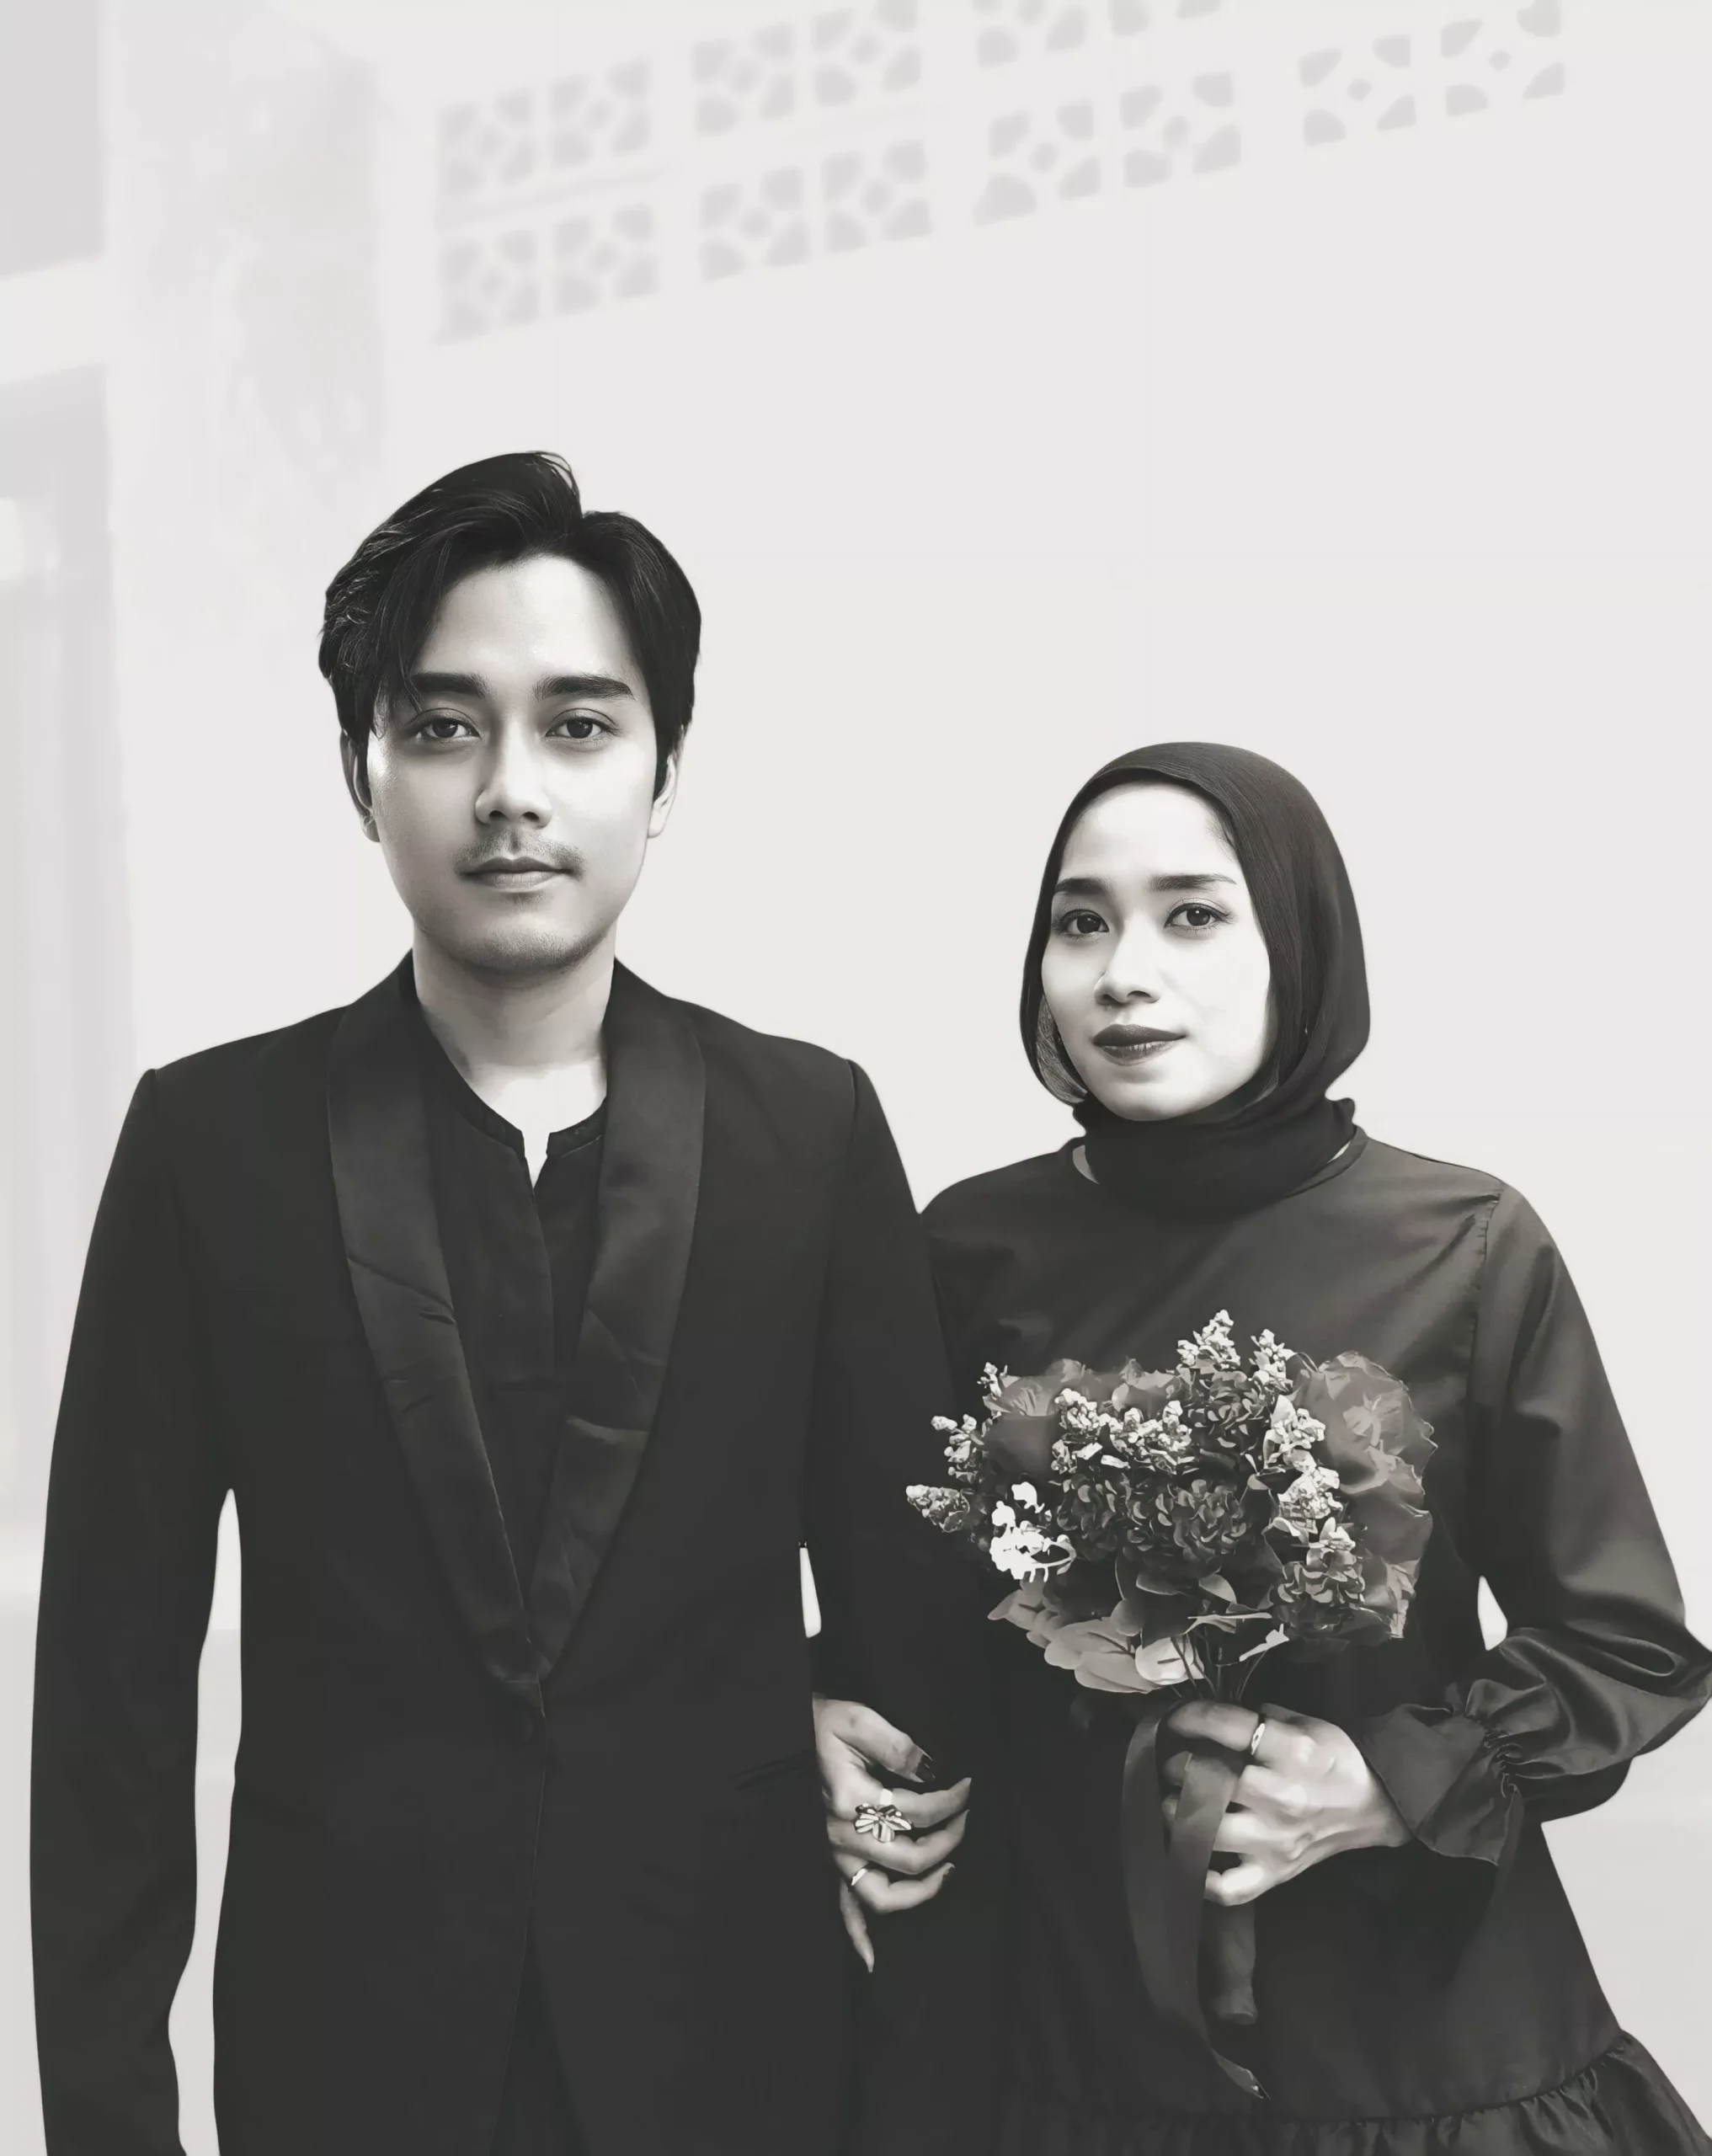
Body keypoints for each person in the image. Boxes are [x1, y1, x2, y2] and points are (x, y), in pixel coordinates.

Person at [30, 452, 995, 2156]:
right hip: (347, 2054)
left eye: (577, 724)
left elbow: (907, 1614)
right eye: (442, 727)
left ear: (663, 770)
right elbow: (112, 1680)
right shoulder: (209, 1144)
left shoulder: (810, 1131)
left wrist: (804, 1708)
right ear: (363, 771)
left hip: (742, 2044)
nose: (508, 792)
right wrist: (112, 2118)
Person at [907, 742, 1709, 2148]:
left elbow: (1624, 1641)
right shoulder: (970, 1247)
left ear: (1303, 946)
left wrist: (1386, 1787)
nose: (1123, 973)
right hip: (1066, 2035)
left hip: (1415, 2047)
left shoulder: (1464, 1245)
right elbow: (913, 1626)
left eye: (1192, 914)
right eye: (1080, 921)